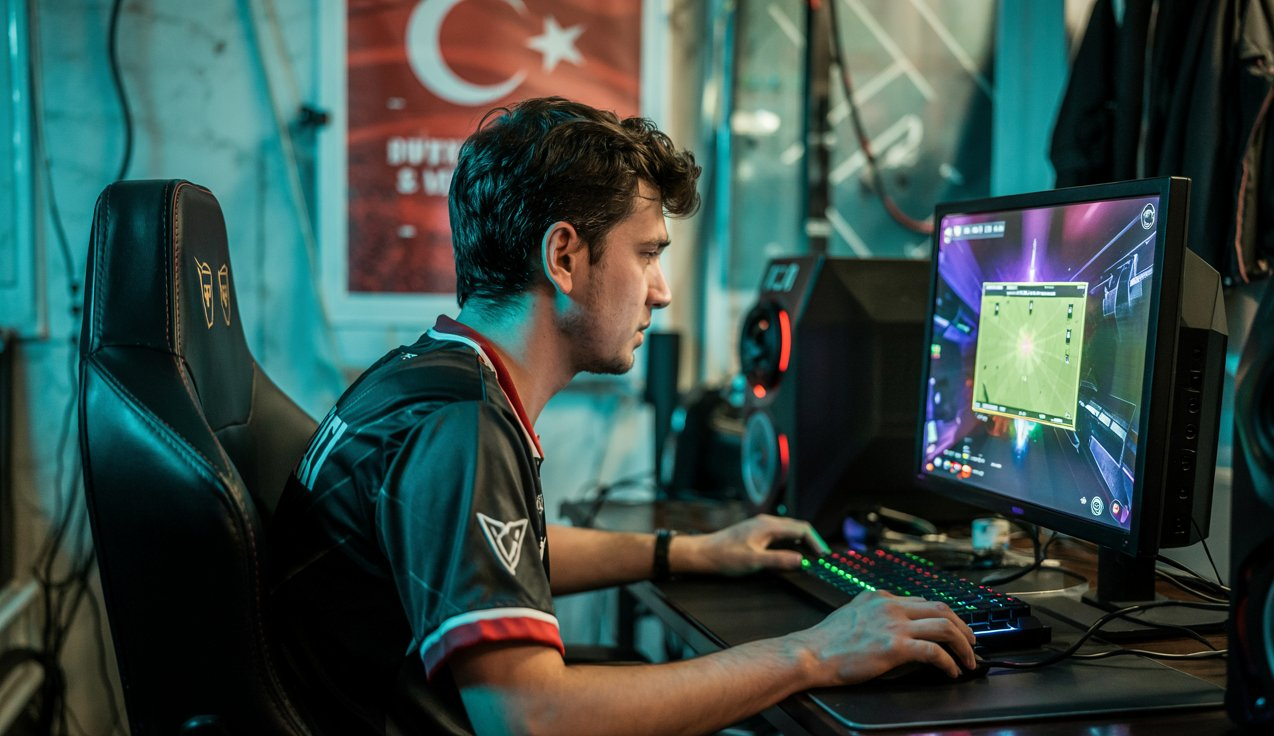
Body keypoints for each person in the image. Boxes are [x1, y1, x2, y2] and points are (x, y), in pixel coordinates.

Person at [270, 96, 976, 735]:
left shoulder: (422, 377)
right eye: (647, 254)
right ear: (564, 257)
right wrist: (812, 652)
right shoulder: (463, 427)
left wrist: (691, 551)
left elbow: (501, 552)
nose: (661, 292)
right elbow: (533, 718)